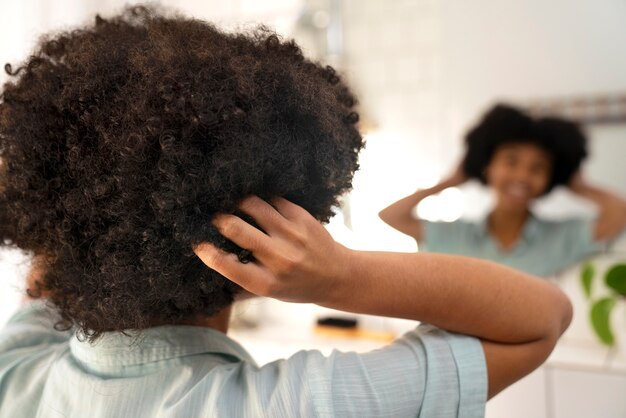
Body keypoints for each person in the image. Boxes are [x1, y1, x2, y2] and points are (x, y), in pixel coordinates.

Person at [0, 7, 572, 417]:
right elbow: (542, 318)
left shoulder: (18, 369)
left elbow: (47, 277)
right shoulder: (306, 403)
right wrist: (346, 276)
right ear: (265, 235)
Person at [379, 104, 626, 277]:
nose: (522, 176)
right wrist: (451, 181)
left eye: (538, 168)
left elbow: (619, 214)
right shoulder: (455, 236)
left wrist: (578, 186)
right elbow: (390, 216)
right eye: (511, 161)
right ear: (488, 166)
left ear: (551, 178)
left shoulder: (560, 238)